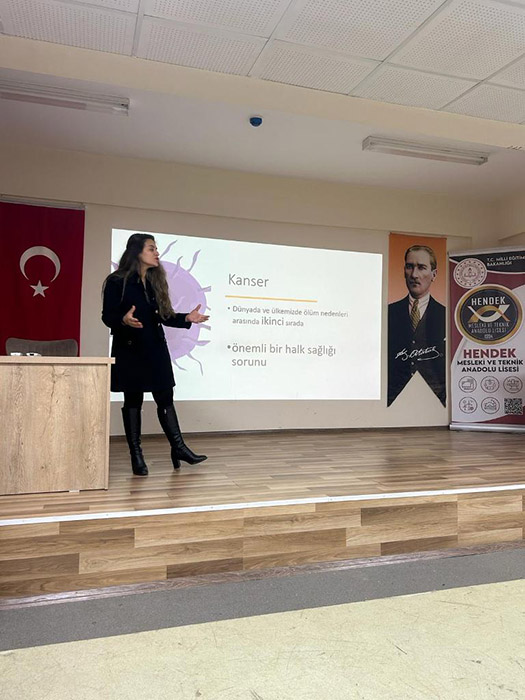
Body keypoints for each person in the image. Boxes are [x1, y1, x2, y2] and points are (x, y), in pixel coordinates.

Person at [102, 233, 209, 476]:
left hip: (155, 349)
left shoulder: (154, 280)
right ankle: (136, 456)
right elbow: (107, 316)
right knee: (133, 401)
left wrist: (186, 318)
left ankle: (179, 448)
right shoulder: (116, 281)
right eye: (151, 248)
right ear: (137, 252)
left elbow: (163, 315)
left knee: (165, 398)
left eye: (156, 248)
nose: (157, 253)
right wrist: (123, 320)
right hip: (130, 349)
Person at [387, 245, 446, 406]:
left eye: (421, 267)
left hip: (435, 403)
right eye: (409, 267)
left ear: (434, 274)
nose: (414, 275)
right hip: (392, 403)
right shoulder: (388, 313)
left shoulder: (446, 315)